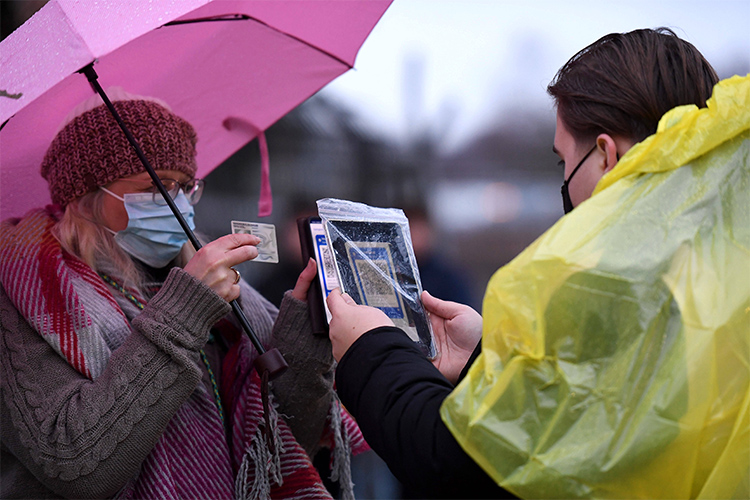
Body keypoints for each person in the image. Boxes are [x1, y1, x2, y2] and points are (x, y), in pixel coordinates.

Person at [326, 28, 748, 498]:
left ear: (606, 155)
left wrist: (369, 348)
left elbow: (457, 464)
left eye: (564, 160)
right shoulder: (721, 264)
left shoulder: (603, 286)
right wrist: (482, 361)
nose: (565, 181)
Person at [0, 90, 359, 499]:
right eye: (157, 187)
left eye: (186, 186)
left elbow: (281, 450)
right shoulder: (20, 291)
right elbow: (76, 466)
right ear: (85, 197)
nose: (177, 203)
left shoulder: (223, 295)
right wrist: (184, 312)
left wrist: (303, 333)